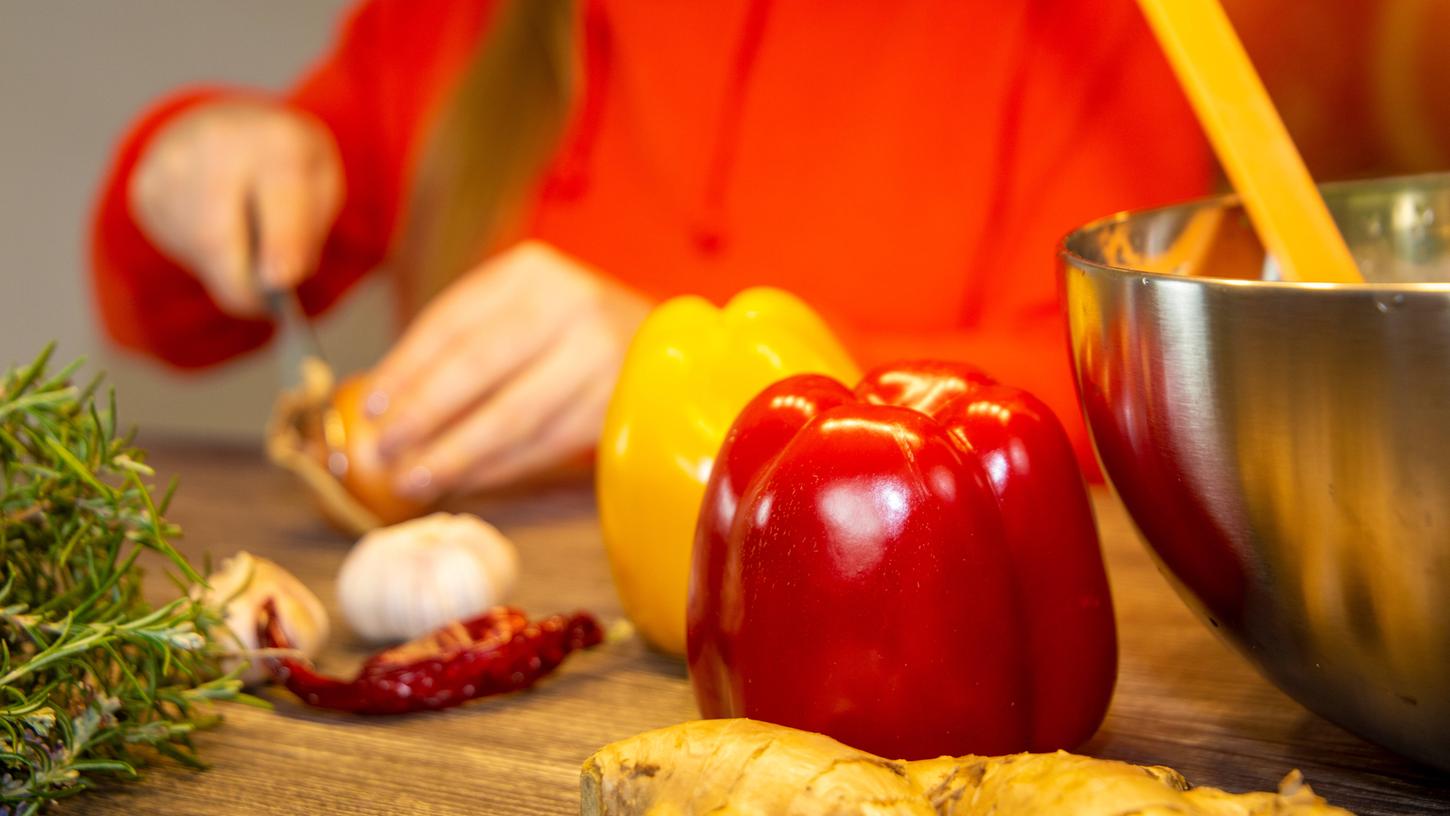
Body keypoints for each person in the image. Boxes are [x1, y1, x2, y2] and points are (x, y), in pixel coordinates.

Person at [91, 0, 1214, 502]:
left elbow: (1147, 398)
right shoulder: (459, 20)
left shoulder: (1098, 27)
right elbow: (182, 316)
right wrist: (183, 163)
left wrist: (720, 382)